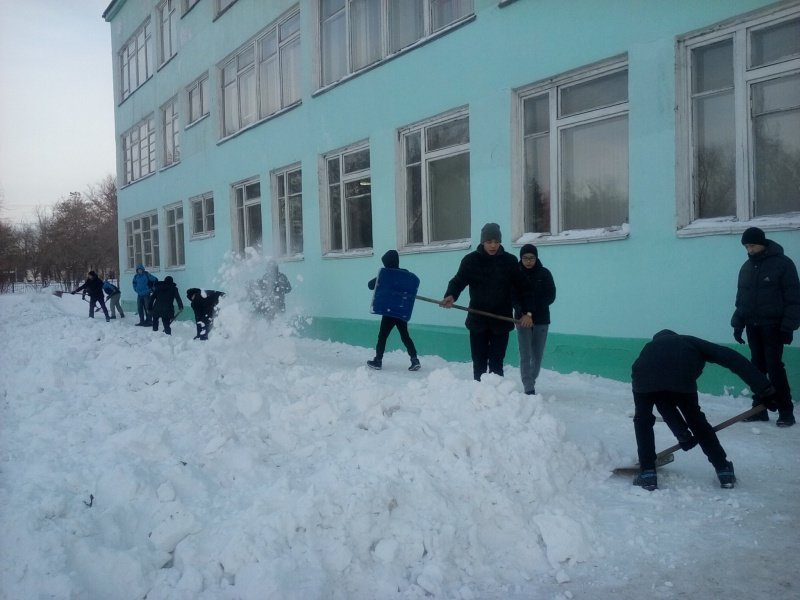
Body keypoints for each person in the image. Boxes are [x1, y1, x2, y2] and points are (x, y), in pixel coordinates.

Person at [631, 329, 777, 491]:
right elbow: (730, 357)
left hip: (642, 377)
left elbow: (663, 401)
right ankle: (723, 470)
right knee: (696, 421)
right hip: (681, 375)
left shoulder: (650, 347)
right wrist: (766, 389)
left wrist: (682, 434)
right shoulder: (689, 341)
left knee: (643, 420)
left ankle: (647, 474)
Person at [441, 223, 533, 381]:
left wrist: (527, 313)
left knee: (497, 363)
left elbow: (523, 289)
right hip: (478, 320)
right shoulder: (471, 261)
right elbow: (459, 280)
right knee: (479, 362)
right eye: (489, 242)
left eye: (496, 242)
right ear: (483, 241)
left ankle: (497, 395)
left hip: (501, 320)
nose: (493, 246)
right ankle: (480, 395)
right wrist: (451, 295)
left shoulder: (509, 262)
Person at [732, 227, 799, 428]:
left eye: (752, 245)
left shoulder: (783, 265)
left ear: (762, 243)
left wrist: (788, 327)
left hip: (774, 327)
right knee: (756, 369)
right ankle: (759, 409)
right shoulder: (746, 267)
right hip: (753, 326)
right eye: (746, 246)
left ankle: (786, 411)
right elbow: (741, 300)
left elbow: (794, 299)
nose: (749, 250)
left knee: (774, 367)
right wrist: (738, 324)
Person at [366, 250, 421, 372]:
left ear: (386, 263)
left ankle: (378, 360)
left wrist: (381, 278)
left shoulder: (385, 275)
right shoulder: (405, 274)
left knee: (382, 337)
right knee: (405, 336)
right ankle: (414, 359)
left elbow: (370, 285)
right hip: (400, 312)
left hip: (389, 312)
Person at [514, 244, 556, 395]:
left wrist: (531, 312)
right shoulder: (516, 274)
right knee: (525, 354)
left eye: (532, 258)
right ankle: (528, 387)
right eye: (525, 258)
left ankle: (532, 378)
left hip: (541, 320)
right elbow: (514, 297)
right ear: (521, 258)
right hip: (522, 321)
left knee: (537, 355)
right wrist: (522, 314)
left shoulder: (544, 274)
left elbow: (550, 295)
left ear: (536, 258)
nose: (528, 261)